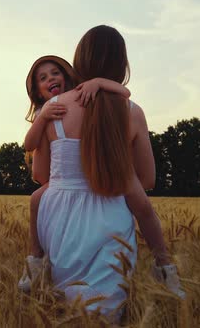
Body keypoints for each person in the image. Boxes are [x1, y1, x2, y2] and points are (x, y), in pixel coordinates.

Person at [32, 26, 183, 320]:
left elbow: (40, 175)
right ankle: (165, 268)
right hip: (110, 216)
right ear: (122, 64)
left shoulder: (52, 109)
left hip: (59, 219)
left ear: (78, 61)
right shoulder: (131, 110)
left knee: (59, 309)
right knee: (105, 313)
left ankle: (33, 269)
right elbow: (148, 180)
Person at [18, 55, 131, 290]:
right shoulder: (44, 111)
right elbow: (28, 144)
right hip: (60, 180)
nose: (51, 78)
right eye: (43, 77)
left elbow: (123, 92)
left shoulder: (84, 95)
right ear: (38, 92)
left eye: (55, 73)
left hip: (83, 177)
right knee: (36, 198)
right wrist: (44, 116)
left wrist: (98, 82)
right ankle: (36, 257)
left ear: (67, 76)